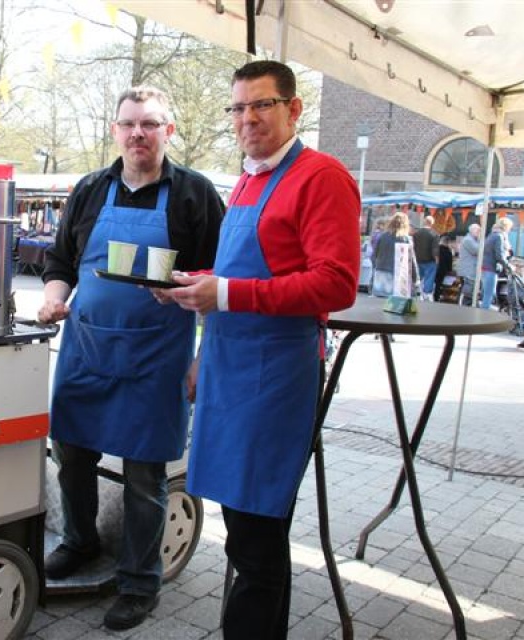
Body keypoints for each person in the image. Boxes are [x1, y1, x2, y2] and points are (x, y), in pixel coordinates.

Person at [159, 60, 360, 639]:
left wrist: (225, 292)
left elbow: (336, 284)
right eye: (239, 107)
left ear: (294, 109)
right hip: (230, 369)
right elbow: (240, 272)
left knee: (257, 537)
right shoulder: (248, 179)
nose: (248, 118)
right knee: (246, 535)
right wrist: (195, 288)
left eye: (262, 105)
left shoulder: (322, 177)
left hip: (275, 378)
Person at [36, 86, 223, 631]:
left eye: (150, 123)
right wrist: (53, 298)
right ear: (116, 130)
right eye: (129, 124)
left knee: (145, 474)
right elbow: (61, 261)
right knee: (71, 453)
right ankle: (81, 541)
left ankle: (140, 581)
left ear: (168, 130)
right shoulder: (91, 189)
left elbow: (221, 281)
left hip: (156, 357)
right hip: (87, 349)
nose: (138, 133)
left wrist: (204, 358)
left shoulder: (194, 194)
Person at [370, 212, 414, 299]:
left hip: (381, 273)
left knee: (378, 301)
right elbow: (411, 260)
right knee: (394, 303)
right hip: (398, 275)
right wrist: (415, 279)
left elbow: (374, 255)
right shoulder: (406, 239)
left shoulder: (383, 236)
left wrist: (376, 267)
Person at [479, 217, 513, 310]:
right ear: (506, 227)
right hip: (491, 268)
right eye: (510, 228)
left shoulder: (491, 235)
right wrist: (508, 266)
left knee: (487, 294)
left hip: (485, 267)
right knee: (489, 296)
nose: (510, 230)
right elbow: (499, 255)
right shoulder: (499, 237)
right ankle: (483, 315)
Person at [413, 215, 439, 301]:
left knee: (418, 277)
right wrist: (436, 259)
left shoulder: (416, 233)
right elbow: (435, 248)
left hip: (418, 259)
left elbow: (413, 246)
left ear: (424, 222)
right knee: (429, 277)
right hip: (430, 260)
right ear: (432, 223)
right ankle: (426, 293)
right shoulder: (434, 234)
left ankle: (417, 292)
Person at [457, 223, 481, 305]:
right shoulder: (468, 240)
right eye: (477, 230)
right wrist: (480, 240)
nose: (479, 232)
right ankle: (464, 304)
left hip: (470, 269)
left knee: (469, 289)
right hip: (468, 269)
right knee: (468, 289)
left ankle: (465, 304)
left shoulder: (472, 240)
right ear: (472, 230)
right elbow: (477, 251)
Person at [433, 235, 455, 302]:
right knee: (438, 284)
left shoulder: (436, 249)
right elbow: (449, 264)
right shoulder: (448, 252)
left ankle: (429, 295)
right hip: (442, 271)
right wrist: (450, 270)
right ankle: (436, 297)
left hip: (433, 269)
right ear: (448, 242)